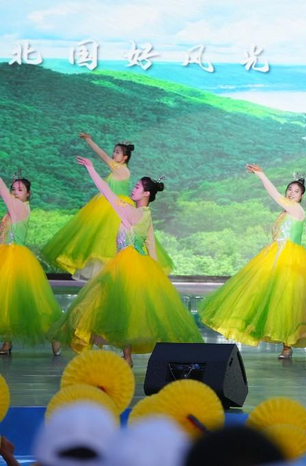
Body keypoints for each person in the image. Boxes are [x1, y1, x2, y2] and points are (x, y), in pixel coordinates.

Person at [49, 157, 202, 367]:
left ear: (146, 194)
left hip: (125, 266)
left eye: (138, 187)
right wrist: (156, 274)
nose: (134, 189)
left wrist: (91, 169)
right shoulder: (146, 214)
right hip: (135, 266)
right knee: (123, 311)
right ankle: (125, 356)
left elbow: (107, 193)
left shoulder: (131, 212)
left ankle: (68, 337)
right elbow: (151, 245)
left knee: (98, 307)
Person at [198, 165, 306, 360]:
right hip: (277, 258)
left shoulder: (295, 209)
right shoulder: (286, 212)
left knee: (304, 305)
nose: (291, 193)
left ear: (301, 196)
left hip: (292, 262)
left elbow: (274, 195)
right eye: (289, 189)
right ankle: (287, 346)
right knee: (281, 303)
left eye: (296, 191)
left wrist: (261, 175)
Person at [42, 133, 173, 280]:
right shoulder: (119, 171)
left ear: (125, 157)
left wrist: (89, 141)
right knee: (106, 242)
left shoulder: (121, 170)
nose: (114, 154)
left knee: (110, 241)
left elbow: (103, 157)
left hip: (115, 206)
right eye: (114, 151)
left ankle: (114, 272)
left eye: (117, 152)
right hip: (114, 204)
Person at [0, 174, 62, 356]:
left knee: (29, 302)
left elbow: (3, 192)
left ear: (28, 194)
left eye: (20, 190)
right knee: (7, 301)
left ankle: (54, 333)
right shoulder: (11, 211)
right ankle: (7, 342)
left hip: (16, 259)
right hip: (5, 255)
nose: (15, 192)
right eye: (13, 189)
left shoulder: (21, 207)